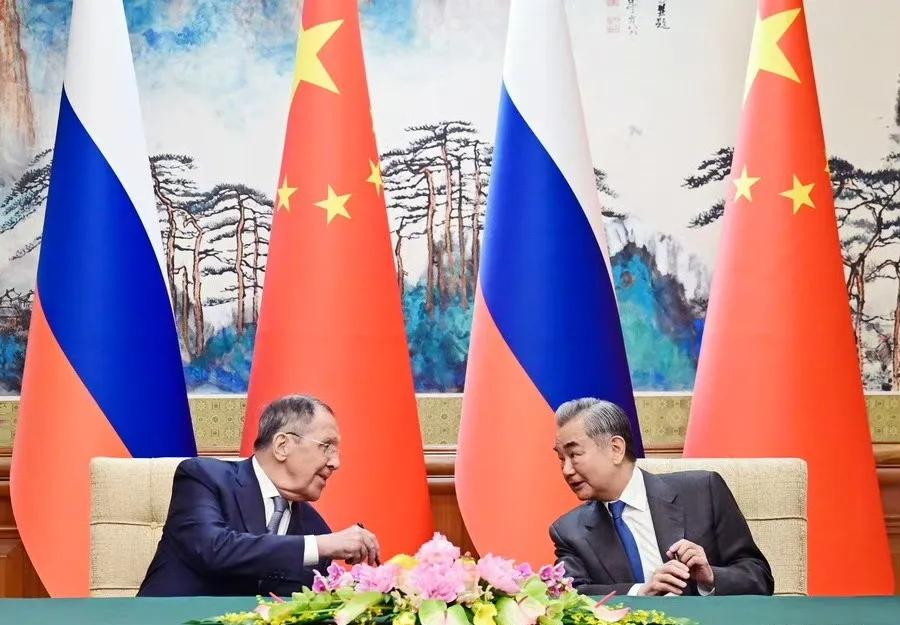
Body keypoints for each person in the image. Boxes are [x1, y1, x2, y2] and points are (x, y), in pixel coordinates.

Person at [138, 394, 379, 596]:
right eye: (326, 447)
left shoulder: (315, 528)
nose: (335, 463)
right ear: (282, 446)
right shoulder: (203, 477)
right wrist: (319, 545)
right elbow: (213, 549)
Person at [550, 398, 773, 597]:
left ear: (616, 449)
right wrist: (638, 592)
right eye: (561, 459)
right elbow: (571, 594)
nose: (566, 470)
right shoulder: (569, 531)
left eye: (574, 454)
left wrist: (710, 577)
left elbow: (759, 577)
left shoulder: (704, 491)